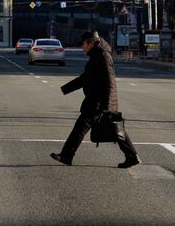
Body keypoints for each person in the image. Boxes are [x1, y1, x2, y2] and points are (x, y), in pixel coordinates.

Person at [51, 30, 141, 168]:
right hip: (96, 100)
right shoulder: (96, 55)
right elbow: (85, 78)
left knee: (87, 128)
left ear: (92, 42)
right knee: (113, 129)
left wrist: (106, 107)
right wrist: (66, 88)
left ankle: (66, 155)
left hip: (98, 102)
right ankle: (132, 156)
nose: (82, 47)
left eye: (83, 44)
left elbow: (108, 82)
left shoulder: (103, 56)